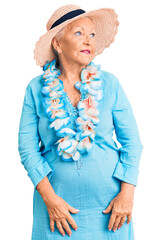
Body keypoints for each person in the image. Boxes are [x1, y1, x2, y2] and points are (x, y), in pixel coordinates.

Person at [18, 4, 144, 240]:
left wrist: (127, 193)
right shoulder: (36, 88)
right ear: (57, 43)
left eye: (92, 35)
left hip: (110, 211)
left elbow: (132, 143)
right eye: (78, 33)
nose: (89, 41)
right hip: (56, 212)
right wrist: (50, 199)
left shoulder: (110, 84)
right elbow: (27, 149)